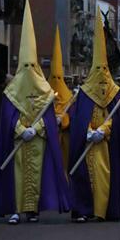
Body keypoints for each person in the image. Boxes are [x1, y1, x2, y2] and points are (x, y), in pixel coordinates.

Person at [0, 1, 71, 224]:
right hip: (18, 140)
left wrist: (37, 128)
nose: (29, 72)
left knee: (37, 173)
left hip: (37, 140)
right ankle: (15, 208)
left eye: (32, 67)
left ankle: (32, 209)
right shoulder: (11, 92)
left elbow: (48, 118)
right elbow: (7, 117)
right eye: (25, 67)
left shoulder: (46, 91)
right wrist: (20, 129)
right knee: (16, 175)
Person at [68, 12, 120, 222]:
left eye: (105, 69)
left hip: (104, 145)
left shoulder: (114, 91)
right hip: (86, 144)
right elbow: (78, 118)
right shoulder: (84, 93)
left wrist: (104, 130)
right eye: (98, 68)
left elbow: (115, 119)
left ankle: (101, 211)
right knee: (84, 174)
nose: (102, 73)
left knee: (104, 176)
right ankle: (83, 209)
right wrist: (87, 131)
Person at [48, 27, 74, 174]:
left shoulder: (69, 96)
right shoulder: (43, 95)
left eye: (59, 78)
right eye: (54, 78)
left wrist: (63, 119)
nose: (56, 81)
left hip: (64, 140)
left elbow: (73, 116)